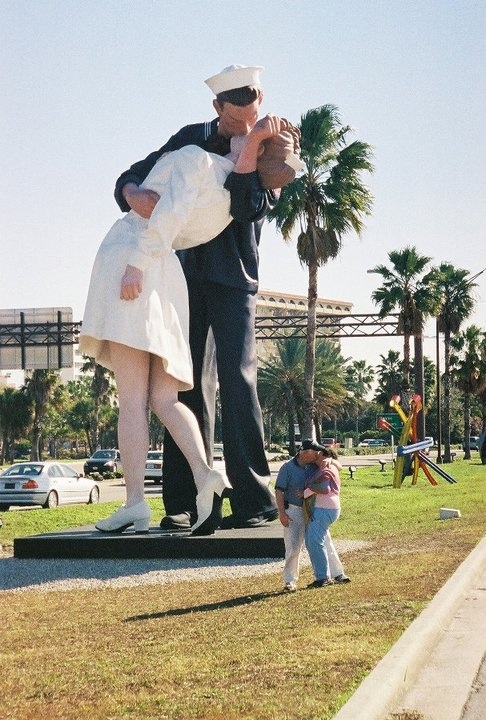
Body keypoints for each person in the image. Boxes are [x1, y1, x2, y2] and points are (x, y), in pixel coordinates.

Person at [113, 64, 290, 530]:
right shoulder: (190, 137)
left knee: (239, 383)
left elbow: (248, 208)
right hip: (181, 279)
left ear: (261, 100)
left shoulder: (272, 143)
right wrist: (132, 194)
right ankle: (184, 503)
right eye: (234, 118)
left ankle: (253, 502)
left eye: (251, 113)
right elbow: (132, 174)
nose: (244, 124)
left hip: (235, 279)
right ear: (216, 107)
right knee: (182, 386)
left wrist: (251, 147)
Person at [275, 439, 350, 592]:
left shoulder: (315, 464)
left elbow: (339, 466)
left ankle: (338, 574)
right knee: (293, 547)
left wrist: (331, 461)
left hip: (312, 509)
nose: (318, 454)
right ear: (306, 452)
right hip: (294, 510)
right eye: (315, 452)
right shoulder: (287, 467)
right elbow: (279, 491)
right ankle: (290, 581)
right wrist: (282, 513)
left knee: (325, 541)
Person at [303, 443, 343, 588]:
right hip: (327, 508)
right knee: (314, 541)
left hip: (324, 508)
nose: (317, 456)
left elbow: (324, 488)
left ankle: (322, 577)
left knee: (315, 542)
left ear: (326, 456)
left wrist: (305, 492)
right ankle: (326, 575)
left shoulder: (327, 467)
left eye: (320, 454)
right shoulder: (328, 465)